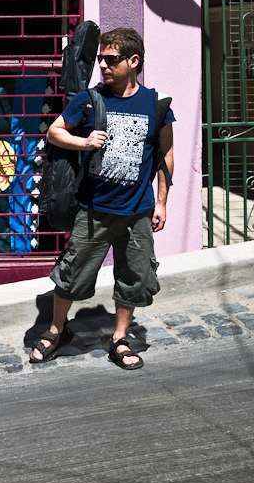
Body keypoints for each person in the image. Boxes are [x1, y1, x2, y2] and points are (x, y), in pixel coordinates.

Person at [30, 28, 174, 370]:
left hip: (137, 211)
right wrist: (84, 142)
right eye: (100, 60)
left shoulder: (156, 104)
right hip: (93, 209)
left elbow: (166, 155)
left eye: (111, 60)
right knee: (72, 274)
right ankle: (56, 330)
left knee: (134, 277)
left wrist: (163, 202)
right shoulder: (91, 99)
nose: (104, 67)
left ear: (133, 61)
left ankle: (119, 338)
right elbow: (54, 130)